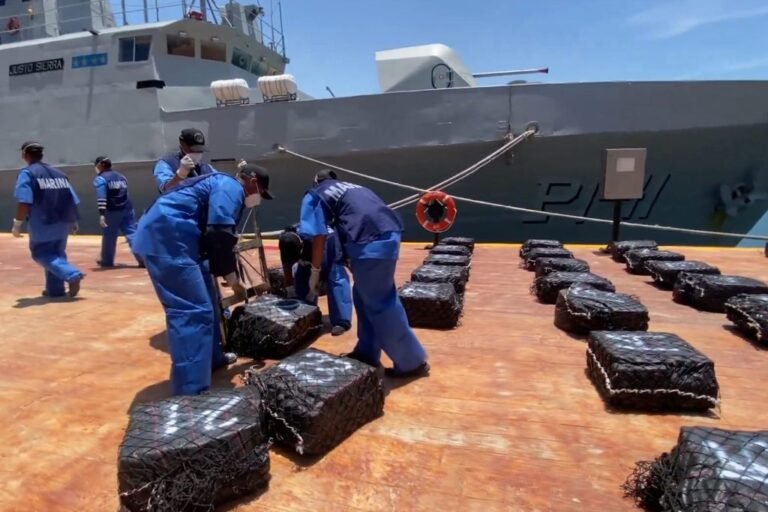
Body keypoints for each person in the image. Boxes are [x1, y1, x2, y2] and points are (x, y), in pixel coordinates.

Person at [132, 164, 273, 396]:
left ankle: (211, 359)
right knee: (193, 310)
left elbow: (217, 238)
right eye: (260, 192)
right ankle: (190, 390)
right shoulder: (231, 187)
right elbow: (219, 232)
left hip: (185, 241)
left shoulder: (223, 186)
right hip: (168, 240)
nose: (256, 198)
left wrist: (223, 269)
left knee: (209, 298)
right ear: (253, 181)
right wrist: (232, 278)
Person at [300, 169, 429, 378]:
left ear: (316, 182)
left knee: (380, 303)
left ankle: (411, 362)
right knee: (362, 296)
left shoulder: (316, 194)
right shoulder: (354, 188)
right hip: (386, 234)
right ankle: (367, 351)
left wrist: (315, 273)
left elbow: (318, 237)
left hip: (369, 242)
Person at [11, 141, 85, 298]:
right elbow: (71, 198)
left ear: (25, 155)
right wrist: (73, 221)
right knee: (57, 254)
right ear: (41, 155)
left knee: (41, 254)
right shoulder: (59, 173)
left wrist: (17, 223)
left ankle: (72, 275)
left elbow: (24, 201)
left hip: (43, 222)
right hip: (63, 221)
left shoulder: (27, 173)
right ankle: (55, 290)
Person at [278, 223, 353, 336]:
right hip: (307, 250)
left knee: (335, 277)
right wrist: (290, 289)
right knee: (301, 279)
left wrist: (315, 276)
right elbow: (287, 265)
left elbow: (317, 263)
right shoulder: (285, 241)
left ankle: (341, 321)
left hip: (326, 243)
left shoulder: (311, 241)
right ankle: (307, 316)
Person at [92, 156, 144, 267]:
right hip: (127, 209)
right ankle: (143, 259)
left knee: (109, 236)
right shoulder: (121, 177)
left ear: (101, 165)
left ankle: (107, 260)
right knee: (132, 234)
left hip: (112, 211)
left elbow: (101, 197)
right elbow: (125, 193)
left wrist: (101, 214)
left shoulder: (101, 179)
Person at [153, 128, 217, 193]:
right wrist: (180, 175)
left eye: (200, 150)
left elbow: (219, 182)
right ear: (181, 147)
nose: (197, 153)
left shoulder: (205, 167)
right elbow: (165, 189)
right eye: (193, 150)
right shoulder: (166, 163)